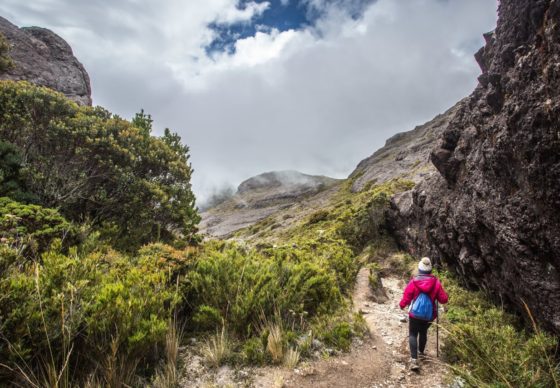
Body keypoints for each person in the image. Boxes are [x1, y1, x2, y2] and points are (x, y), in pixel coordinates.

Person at [399, 257, 448, 371]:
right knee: (423, 332)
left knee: (412, 334)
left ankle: (414, 360)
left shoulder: (414, 281)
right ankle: (421, 351)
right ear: (430, 270)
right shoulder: (436, 283)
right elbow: (443, 299)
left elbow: (407, 297)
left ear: (419, 269)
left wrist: (401, 305)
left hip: (415, 314)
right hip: (428, 315)